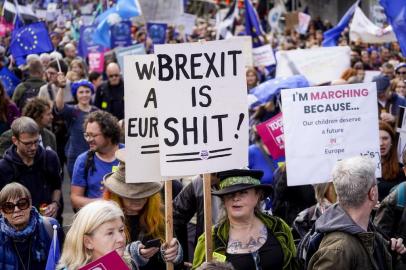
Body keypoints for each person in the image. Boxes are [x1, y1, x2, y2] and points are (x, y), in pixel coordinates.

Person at [307, 156, 406, 269]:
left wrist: (390, 254)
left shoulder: (367, 229)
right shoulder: (338, 250)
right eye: (376, 184)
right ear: (372, 193)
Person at [192, 169, 298, 270]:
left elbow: (295, 264)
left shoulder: (279, 227)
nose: (236, 198)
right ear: (223, 199)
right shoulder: (210, 239)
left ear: (258, 196)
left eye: (243, 192)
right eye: (230, 193)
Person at [103, 149, 183, 270]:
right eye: (131, 194)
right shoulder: (103, 218)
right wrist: (131, 255)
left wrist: (172, 254)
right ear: (117, 194)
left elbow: (174, 265)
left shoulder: (161, 214)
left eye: (143, 193)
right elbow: (99, 263)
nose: (138, 199)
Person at [58, 200, 178, 270]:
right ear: (88, 242)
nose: (121, 239)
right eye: (110, 233)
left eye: (121, 230)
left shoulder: (124, 263)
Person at [0, 117, 62, 220]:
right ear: (15, 140)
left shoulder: (50, 158)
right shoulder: (4, 167)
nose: (33, 147)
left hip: (46, 222)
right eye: (28, 143)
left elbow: (57, 186)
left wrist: (55, 204)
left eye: (36, 141)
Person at [0, 183, 62, 269]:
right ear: (2, 212)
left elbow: (65, 262)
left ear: (30, 205)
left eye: (22, 204)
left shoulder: (50, 227)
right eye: (9, 207)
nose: (16, 210)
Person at [71, 111, 123, 210]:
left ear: (109, 134)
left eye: (93, 135)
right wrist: (104, 203)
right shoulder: (83, 160)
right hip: (97, 220)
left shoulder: (127, 155)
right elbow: (75, 198)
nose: (89, 140)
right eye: (87, 135)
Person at [55, 77, 98, 177]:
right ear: (76, 94)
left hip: (94, 156)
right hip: (74, 157)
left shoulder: (97, 112)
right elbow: (59, 105)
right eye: (81, 92)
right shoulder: (72, 111)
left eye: (87, 91)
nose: (84, 95)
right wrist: (61, 87)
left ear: (91, 93)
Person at [173, 174, 222, 264]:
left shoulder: (242, 178)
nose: (201, 174)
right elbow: (175, 216)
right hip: (207, 249)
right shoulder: (199, 182)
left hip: (239, 249)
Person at [379, 121, 406, 201]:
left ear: (392, 142)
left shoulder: (401, 170)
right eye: (377, 138)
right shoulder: (361, 168)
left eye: (385, 138)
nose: (381, 143)